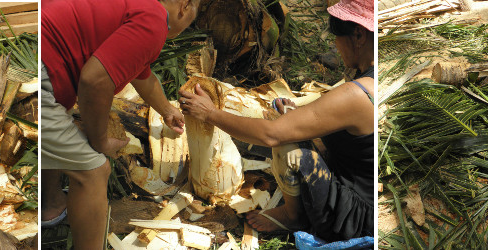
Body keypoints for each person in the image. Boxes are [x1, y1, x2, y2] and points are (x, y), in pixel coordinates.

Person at [179, 0, 374, 241]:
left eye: (335, 34)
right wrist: (296, 117)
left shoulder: (357, 94)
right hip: (361, 188)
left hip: (356, 218)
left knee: (287, 145)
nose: (335, 44)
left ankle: (294, 216)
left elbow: (270, 134)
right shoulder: (373, 80)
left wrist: (210, 114)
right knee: (292, 129)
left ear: (358, 35)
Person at [39, 0, 198, 248]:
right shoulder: (155, 20)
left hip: (43, 51)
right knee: (94, 170)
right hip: (42, 67)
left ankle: (50, 206)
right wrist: (100, 141)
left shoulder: (136, 6)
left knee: (64, 125)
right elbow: (94, 80)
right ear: (185, 7)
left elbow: (140, 73)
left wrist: (167, 110)